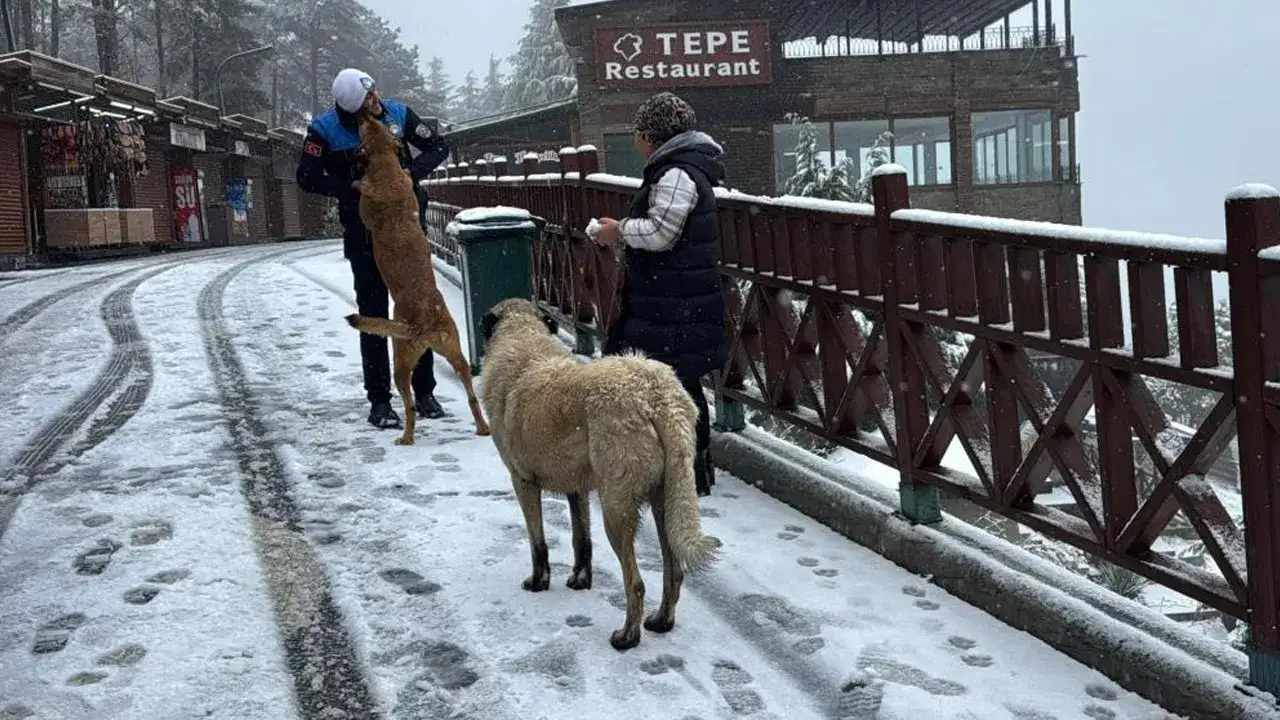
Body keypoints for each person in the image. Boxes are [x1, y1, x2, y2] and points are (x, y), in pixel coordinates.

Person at [297, 68, 451, 430]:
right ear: (350, 109)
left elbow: (439, 146)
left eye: (374, 93)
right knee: (375, 312)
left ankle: (424, 390)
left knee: (418, 305)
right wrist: (349, 184)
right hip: (365, 235)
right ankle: (380, 400)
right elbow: (307, 177)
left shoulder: (398, 114)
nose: (375, 101)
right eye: (367, 100)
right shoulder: (323, 130)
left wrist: (412, 174)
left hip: (408, 229)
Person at [591, 92, 727, 497]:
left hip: (676, 302)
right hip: (676, 298)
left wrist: (619, 230)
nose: (635, 141)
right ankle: (685, 469)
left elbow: (661, 233)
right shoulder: (681, 168)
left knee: (678, 385)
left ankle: (689, 473)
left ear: (652, 135)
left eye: (637, 132)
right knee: (678, 383)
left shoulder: (677, 173)